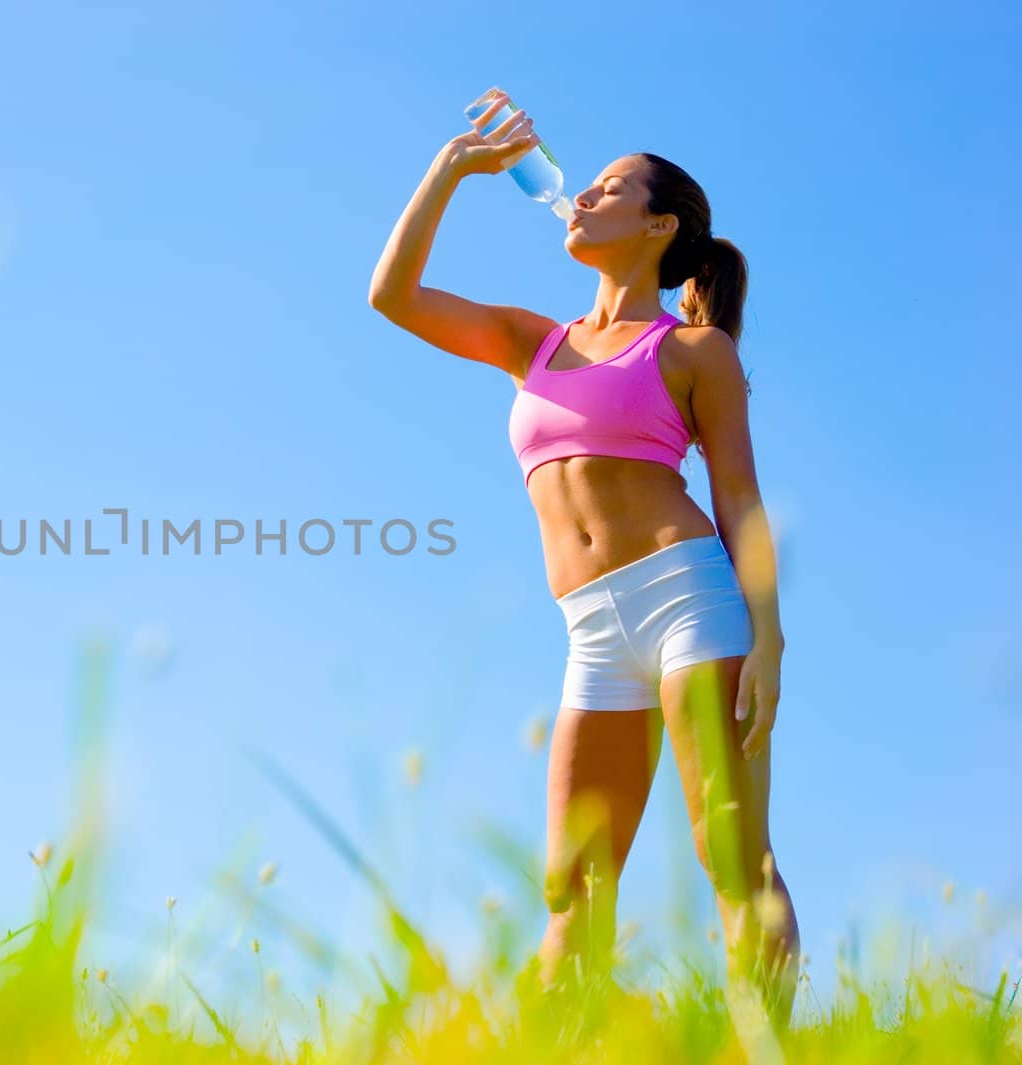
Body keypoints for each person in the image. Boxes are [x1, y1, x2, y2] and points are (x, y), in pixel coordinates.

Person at [367, 90, 800, 1026]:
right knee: (571, 887)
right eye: (586, 185)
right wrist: (453, 171)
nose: (582, 197)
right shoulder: (535, 341)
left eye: (608, 189)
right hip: (592, 631)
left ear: (659, 224)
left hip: (689, 601)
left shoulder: (693, 350)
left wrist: (769, 640)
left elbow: (740, 500)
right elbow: (392, 296)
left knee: (731, 852)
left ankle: (767, 1046)